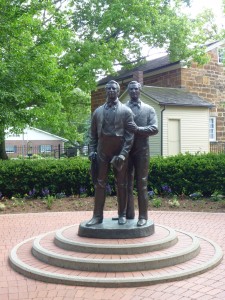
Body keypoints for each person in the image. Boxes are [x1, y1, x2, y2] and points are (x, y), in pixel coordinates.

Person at [87, 80, 134, 226]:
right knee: (100, 183)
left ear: (118, 91)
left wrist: (123, 153)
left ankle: (122, 214)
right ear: (106, 91)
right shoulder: (98, 111)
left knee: (121, 183)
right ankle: (97, 216)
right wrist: (92, 150)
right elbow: (92, 135)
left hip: (119, 150)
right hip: (102, 149)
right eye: (108, 88)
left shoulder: (126, 111)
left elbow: (130, 135)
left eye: (114, 88)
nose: (111, 90)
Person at [126, 81, 158, 226]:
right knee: (126, 183)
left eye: (136, 89)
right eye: (131, 89)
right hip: (125, 150)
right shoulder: (123, 109)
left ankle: (143, 216)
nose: (133, 91)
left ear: (140, 90)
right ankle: (128, 213)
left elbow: (154, 128)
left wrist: (138, 129)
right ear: (128, 91)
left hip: (142, 151)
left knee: (142, 184)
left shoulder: (149, 109)